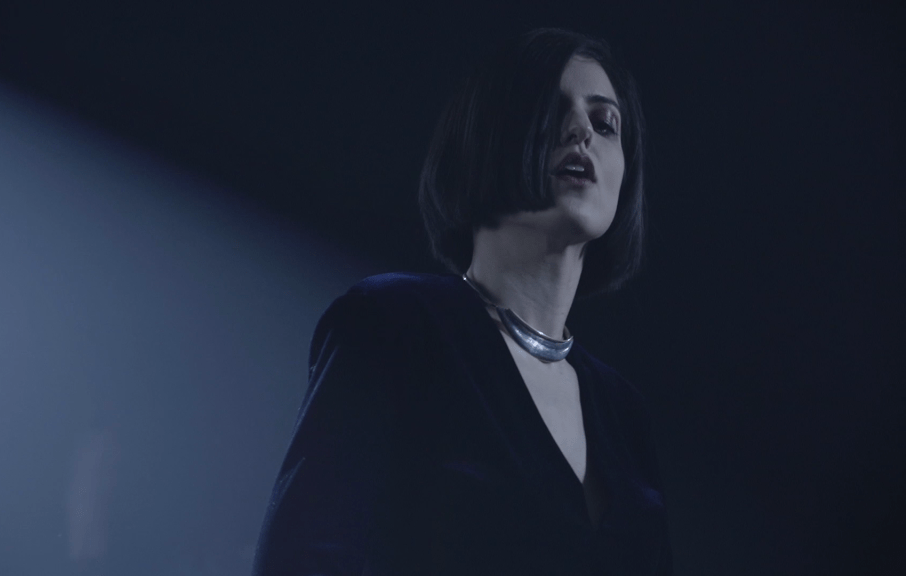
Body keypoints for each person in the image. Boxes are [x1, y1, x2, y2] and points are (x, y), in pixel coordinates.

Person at [253, 28, 672, 575]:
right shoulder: (393, 325)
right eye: (550, 110)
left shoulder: (624, 413)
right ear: (486, 137)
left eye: (605, 122)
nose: (581, 132)